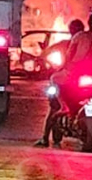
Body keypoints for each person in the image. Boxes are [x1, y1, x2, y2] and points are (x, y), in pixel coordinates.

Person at [34, 18, 86, 147]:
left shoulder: (64, 44)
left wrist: (55, 66)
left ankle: (45, 138)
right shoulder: (88, 43)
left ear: (70, 31)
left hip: (65, 81)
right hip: (81, 82)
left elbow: (44, 54)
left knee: (53, 108)